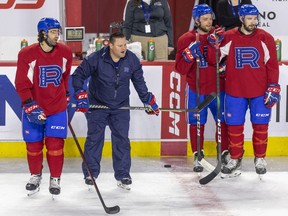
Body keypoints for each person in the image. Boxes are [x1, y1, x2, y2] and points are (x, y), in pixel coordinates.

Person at [71, 32, 159, 190]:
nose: (123, 48)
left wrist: (148, 100)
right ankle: (91, 174)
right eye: (120, 45)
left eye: (125, 44)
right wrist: (80, 94)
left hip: (120, 106)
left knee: (122, 140)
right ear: (110, 45)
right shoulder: (96, 58)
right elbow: (78, 75)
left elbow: (139, 82)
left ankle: (123, 174)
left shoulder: (131, 59)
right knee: (94, 139)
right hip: (97, 105)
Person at [215, 4, 280, 178]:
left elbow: (272, 65)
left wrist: (273, 85)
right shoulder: (229, 37)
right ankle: (235, 158)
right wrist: (213, 43)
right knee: (234, 127)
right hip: (235, 90)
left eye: (255, 18)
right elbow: (214, 59)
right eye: (249, 18)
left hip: (259, 91)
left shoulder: (265, 38)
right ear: (241, 19)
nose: (253, 22)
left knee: (260, 127)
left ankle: (260, 158)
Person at [14, 18, 72, 195]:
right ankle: (35, 175)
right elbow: (21, 83)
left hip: (57, 107)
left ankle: (55, 179)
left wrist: (66, 94)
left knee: (55, 145)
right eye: (53, 32)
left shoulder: (65, 52)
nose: (57, 35)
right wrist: (30, 104)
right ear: (43, 34)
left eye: (58, 32)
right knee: (33, 145)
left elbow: (65, 77)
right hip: (35, 106)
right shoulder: (27, 54)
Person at [175, 4, 229, 173]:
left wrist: (217, 45)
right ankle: (198, 155)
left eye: (210, 18)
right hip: (195, 89)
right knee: (196, 123)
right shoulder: (185, 39)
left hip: (218, 88)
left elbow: (223, 62)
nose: (209, 22)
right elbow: (180, 69)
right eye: (205, 19)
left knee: (223, 121)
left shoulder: (220, 36)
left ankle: (224, 153)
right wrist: (188, 55)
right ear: (197, 20)